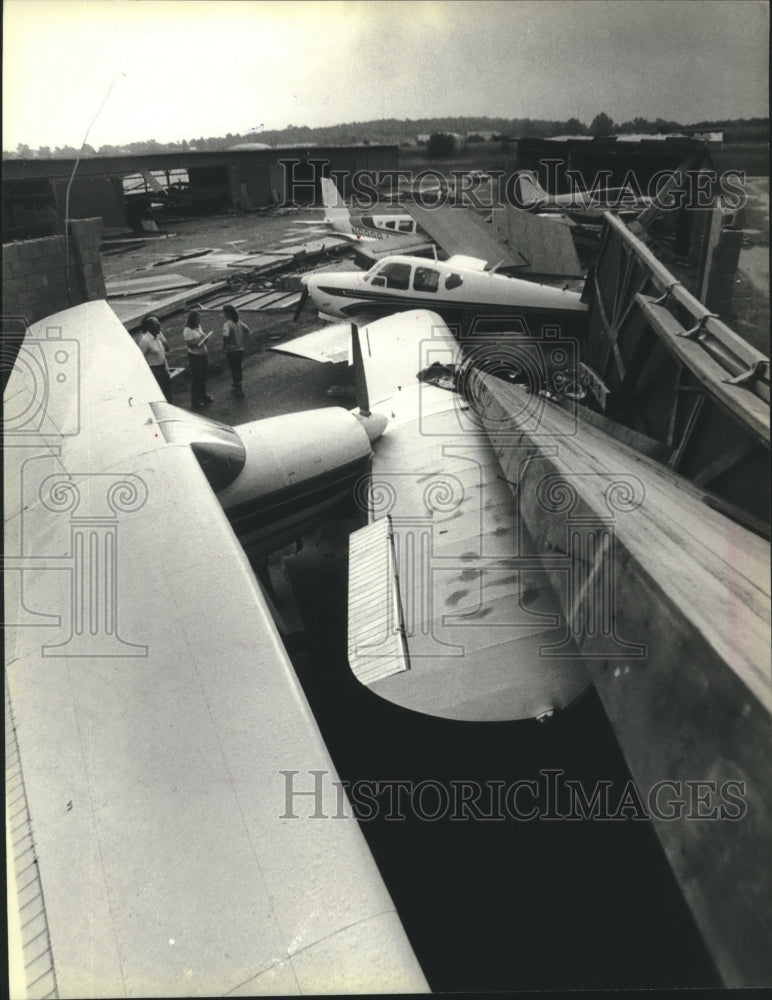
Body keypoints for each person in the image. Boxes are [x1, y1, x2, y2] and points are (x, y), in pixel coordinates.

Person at [137, 315, 173, 402]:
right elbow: (139, 358)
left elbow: (166, 348)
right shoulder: (145, 340)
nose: (159, 327)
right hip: (155, 371)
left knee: (168, 393)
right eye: (157, 325)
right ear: (150, 327)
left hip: (163, 368)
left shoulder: (157, 337)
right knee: (161, 395)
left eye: (159, 324)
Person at [183, 310, 213, 409]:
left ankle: (203, 396)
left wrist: (205, 338)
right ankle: (195, 400)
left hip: (203, 354)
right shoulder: (188, 330)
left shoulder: (198, 327)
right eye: (197, 319)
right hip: (195, 356)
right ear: (192, 320)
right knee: (196, 378)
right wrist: (201, 339)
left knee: (203, 376)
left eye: (199, 319)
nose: (199, 321)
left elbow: (202, 339)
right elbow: (190, 345)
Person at [222, 304, 250, 398]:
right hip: (240, 348)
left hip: (231, 350)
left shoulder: (227, 324)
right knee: (238, 367)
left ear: (228, 314)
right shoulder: (238, 322)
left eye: (224, 313)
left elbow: (225, 336)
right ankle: (236, 383)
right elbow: (247, 330)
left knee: (234, 368)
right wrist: (243, 340)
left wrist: (224, 346)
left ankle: (239, 388)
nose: (223, 315)